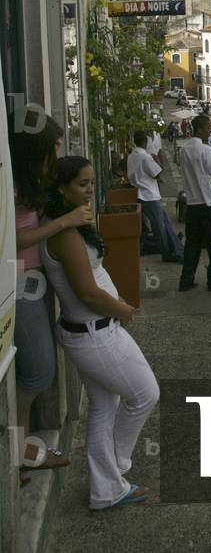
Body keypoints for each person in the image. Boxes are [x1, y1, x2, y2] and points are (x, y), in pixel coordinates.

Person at [42, 156, 158, 510]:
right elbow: (88, 293)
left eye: (92, 182)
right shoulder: (64, 233)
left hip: (92, 331)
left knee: (105, 406)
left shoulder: (70, 223)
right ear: (61, 188)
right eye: (82, 184)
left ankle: (106, 488)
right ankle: (115, 467)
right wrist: (124, 309)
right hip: (96, 334)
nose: (90, 189)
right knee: (145, 393)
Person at [9, 115, 89, 483]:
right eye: (53, 146)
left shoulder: (31, 181)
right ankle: (15, 449)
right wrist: (64, 222)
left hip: (34, 283)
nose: (58, 152)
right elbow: (11, 241)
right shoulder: (9, 188)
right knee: (39, 372)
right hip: (18, 285)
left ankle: (19, 446)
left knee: (36, 370)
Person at [178, 115, 211, 292]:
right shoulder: (205, 150)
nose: (210, 131)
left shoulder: (184, 150)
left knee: (192, 246)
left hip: (192, 204)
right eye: (208, 128)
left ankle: (186, 279)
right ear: (199, 130)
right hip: (208, 204)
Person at [127, 131, 184, 262]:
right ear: (145, 142)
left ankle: (176, 248)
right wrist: (157, 159)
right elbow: (157, 172)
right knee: (160, 226)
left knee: (164, 222)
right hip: (149, 195)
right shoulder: (144, 157)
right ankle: (167, 252)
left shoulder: (131, 156)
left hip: (140, 193)